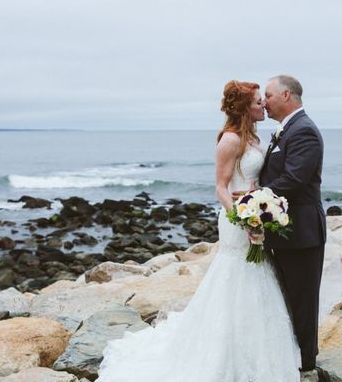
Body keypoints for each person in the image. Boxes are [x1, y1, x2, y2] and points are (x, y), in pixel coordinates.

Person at [95, 80, 301, 381]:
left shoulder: (254, 137)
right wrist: (241, 218)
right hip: (237, 220)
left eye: (263, 100)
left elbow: (254, 176)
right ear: (245, 107)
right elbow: (220, 186)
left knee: (256, 277)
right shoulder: (230, 140)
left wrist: (259, 207)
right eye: (258, 101)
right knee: (235, 276)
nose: (263, 105)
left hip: (253, 213)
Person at [259, 75, 327, 381]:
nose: (264, 101)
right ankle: (292, 356)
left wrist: (253, 200)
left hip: (302, 233)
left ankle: (306, 365)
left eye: (269, 95)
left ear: (286, 95)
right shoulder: (286, 130)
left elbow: (294, 180)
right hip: (286, 230)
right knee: (285, 297)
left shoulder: (304, 131)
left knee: (303, 299)